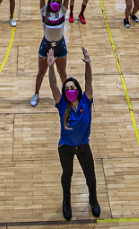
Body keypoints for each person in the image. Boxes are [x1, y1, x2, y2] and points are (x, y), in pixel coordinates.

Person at [46, 46, 98, 220]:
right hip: (66, 148)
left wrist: (88, 65)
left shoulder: (86, 102)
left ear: (77, 89)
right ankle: (66, 201)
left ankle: (93, 199)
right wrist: (51, 66)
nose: (69, 90)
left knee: (90, 174)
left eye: (72, 87)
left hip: (84, 146)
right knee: (67, 175)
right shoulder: (62, 105)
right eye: (66, 88)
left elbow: (89, 82)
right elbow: (53, 84)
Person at [32, 0, 77, 107]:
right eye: (53, 0)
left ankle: (67, 96)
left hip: (60, 45)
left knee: (62, 72)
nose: (55, 2)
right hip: (46, 45)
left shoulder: (63, 11)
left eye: (57, 0)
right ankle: (36, 94)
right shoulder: (44, 11)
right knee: (41, 72)